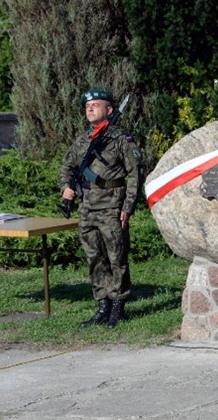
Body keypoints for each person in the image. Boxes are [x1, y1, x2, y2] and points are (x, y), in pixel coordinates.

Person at [59, 88, 144, 329]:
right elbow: (66, 166)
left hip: (112, 207)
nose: (90, 108)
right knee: (94, 258)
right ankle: (102, 306)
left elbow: (135, 173)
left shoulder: (120, 139)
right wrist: (66, 187)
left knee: (116, 257)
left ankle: (118, 307)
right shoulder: (83, 139)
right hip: (87, 208)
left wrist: (128, 205)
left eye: (95, 105)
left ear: (109, 109)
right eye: (87, 106)